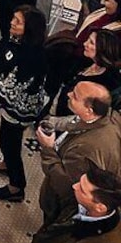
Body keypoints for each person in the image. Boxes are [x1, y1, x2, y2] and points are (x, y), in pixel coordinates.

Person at [0, 5, 49, 202]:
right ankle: (5, 165)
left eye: (18, 21)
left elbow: (14, 87)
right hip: (3, 98)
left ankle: (16, 186)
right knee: (7, 140)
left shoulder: (34, 56)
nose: (12, 22)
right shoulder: (10, 38)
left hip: (20, 108)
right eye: (13, 17)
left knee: (9, 143)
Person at [36, 81, 121, 225]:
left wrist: (47, 148)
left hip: (64, 204)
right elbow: (75, 122)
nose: (68, 94)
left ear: (89, 110)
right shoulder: (105, 116)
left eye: (75, 96)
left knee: (51, 227)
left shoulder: (85, 150)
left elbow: (65, 184)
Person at [51, 29, 121, 116]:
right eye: (88, 39)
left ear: (103, 48)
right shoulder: (83, 61)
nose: (85, 44)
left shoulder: (110, 82)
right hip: (57, 105)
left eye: (91, 42)